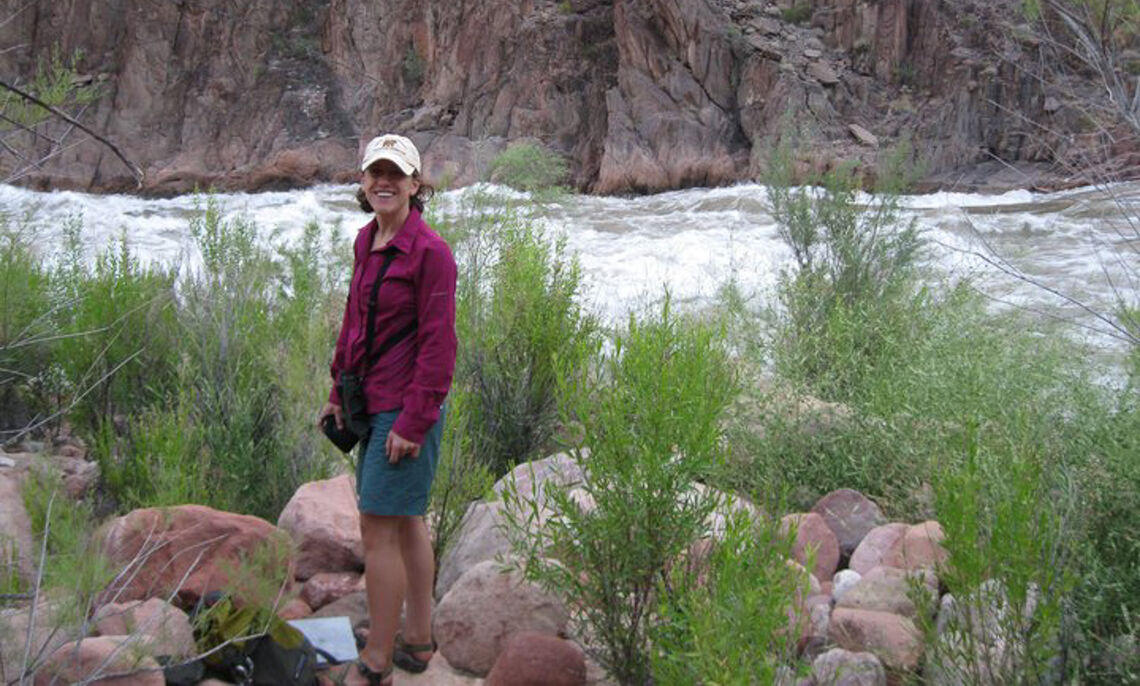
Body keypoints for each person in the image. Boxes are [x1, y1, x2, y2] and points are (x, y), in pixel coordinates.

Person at [318, 134, 457, 686]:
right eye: (375, 172)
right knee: (405, 523)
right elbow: (354, 321)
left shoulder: (431, 253)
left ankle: (377, 660)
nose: (384, 182)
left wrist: (414, 421)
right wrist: (336, 388)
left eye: (395, 174)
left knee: (377, 527)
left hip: (404, 410)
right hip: (366, 400)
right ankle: (418, 640)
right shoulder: (366, 240)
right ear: (363, 181)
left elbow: (439, 345)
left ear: (415, 185)